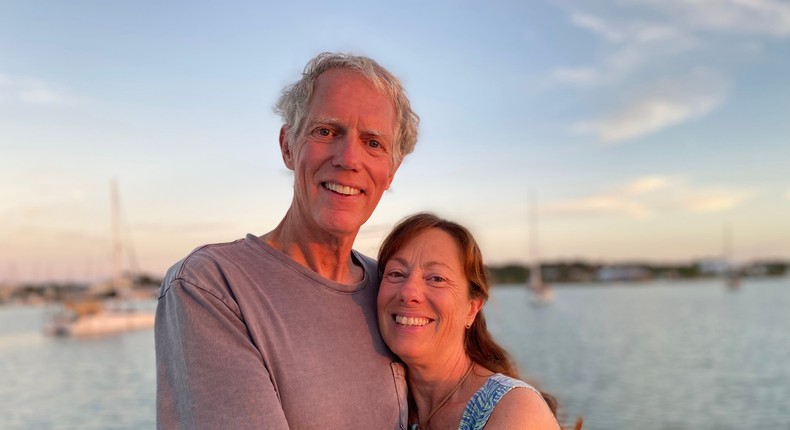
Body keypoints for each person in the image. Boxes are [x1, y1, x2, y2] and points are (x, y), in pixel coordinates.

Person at [155, 52, 419, 429]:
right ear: (288, 146)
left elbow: (470, 391)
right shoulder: (211, 286)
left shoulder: (394, 294)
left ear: (391, 171)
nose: (348, 159)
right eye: (326, 131)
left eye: (373, 143)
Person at [377, 213, 562, 430]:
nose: (409, 292)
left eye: (436, 278)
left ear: (472, 308)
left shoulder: (514, 412)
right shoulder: (384, 406)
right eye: (396, 273)